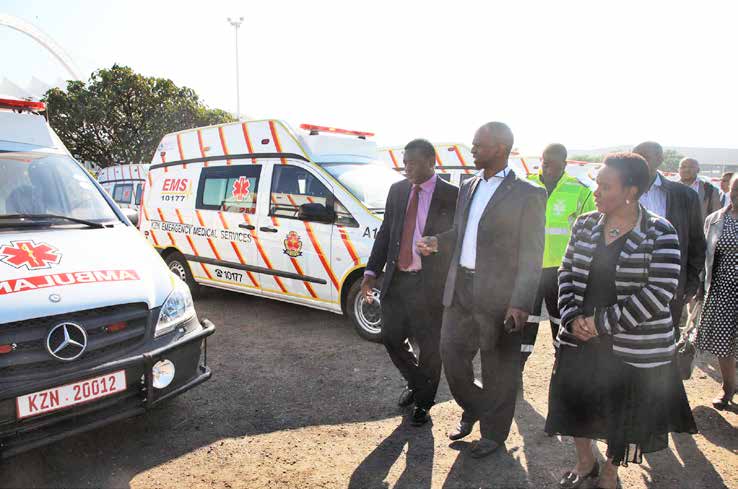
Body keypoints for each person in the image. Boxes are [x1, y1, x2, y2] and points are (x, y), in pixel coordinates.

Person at [546, 153, 697, 489]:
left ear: (631, 191)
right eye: (596, 183)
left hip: (632, 346)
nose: (595, 191)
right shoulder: (585, 224)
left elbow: (659, 292)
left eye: (605, 185)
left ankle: (611, 471)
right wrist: (571, 318)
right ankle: (585, 462)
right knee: (575, 403)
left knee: (624, 414)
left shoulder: (660, 232)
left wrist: (600, 324)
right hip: (579, 338)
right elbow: (566, 271)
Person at [417, 122, 546, 458]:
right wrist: (438, 241)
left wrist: (520, 303)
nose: (472, 150)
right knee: (452, 357)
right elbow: (462, 231)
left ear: (501, 148)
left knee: (498, 369)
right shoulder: (468, 185)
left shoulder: (528, 194)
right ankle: (475, 406)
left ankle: (493, 434)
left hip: (500, 298)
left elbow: (533, 254)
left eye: (479, 145)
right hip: (460, 288)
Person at [362, 138, 458, 425]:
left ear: (432, 162)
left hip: (429, 285)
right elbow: (386, 233)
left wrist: (439, 243)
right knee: (391, 338)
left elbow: (462, 235)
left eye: (413, 163)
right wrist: (370, 273)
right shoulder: (398, 191)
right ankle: (418, 384)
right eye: (404, 163)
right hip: (397, 280)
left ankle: (424, 402)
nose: (407, 169)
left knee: (430, 347)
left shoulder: (452, 195)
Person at [521, 143, 595, 367]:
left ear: (565, 164)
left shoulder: (579, 190)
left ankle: (562, 363)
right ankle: (517, 366)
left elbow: (591, 231)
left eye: (554, 164)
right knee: (525, 318)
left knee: (560, 318)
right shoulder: (524, 185)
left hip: (560, 270)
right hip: (528, 267)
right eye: (545, 163)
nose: (548, 168)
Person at [633, 142, 706, 336]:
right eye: (635, 157)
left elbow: (697, 243)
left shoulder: (684, 196)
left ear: (659, 160)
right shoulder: (620, 192)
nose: (638, 162)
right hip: (625, 284)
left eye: (644, 157)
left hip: (669, 285)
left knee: (663, 342)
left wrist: (689, 283)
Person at [697, 173, 738, 409]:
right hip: (722, 290)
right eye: (734, 191)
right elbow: (707, 257)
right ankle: (728, 387)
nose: (737, 196)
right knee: (724, 343)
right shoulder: (715, 220)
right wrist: (701, 288)